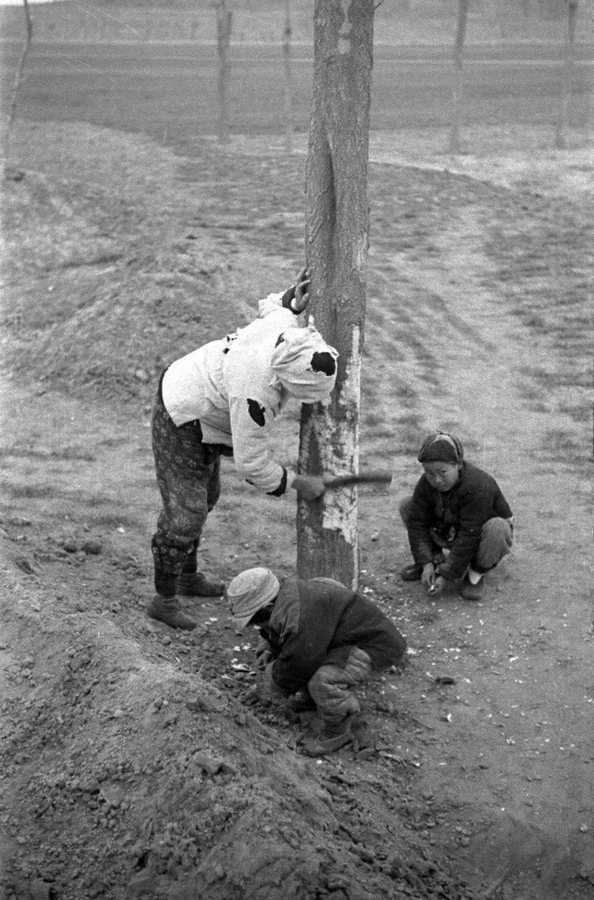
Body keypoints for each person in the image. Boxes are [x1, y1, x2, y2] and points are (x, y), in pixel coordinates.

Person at [149, 268, 338, 630]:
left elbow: (273, 307)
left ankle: (187, 576)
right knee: (186, 511)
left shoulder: (290, 333)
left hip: (207, 403)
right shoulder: (255, 393)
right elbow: (252, 466)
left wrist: (291, 299)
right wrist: (298, 483)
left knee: (206, 497)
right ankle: (164, 600)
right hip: (183, 411)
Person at [226, 567, 407, 756]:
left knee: (321, 681)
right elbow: (282, 632)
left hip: (373, 644)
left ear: (268, 608)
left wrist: (273, 682)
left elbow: (299, 662)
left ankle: (338, 732)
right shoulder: (284, 597)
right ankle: (313, 700)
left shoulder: (299, 614)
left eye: (255, 620)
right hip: (338, 638)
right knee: (304, 658)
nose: (255, 626)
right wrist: (269, 648)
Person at [399, 431, 514, 601]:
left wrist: (446, 575)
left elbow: (470, 535)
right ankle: (435, 561)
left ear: (458, 464)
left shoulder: (479, 486)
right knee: (408, 506)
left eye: (443, 472)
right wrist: (426, 563)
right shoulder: (426, 484)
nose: (436, 479)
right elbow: (417, 524)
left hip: (481, 538)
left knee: (498, 528)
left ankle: (475, 575)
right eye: (430, 473)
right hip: (452, 529)